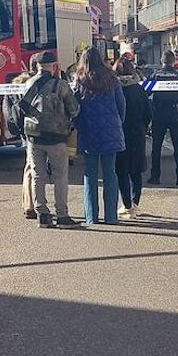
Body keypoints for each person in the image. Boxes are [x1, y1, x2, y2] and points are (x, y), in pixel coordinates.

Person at [20, 51, 80, 228]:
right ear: (54, 66)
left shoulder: (28, 83)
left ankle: (42, 214)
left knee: (38, 174)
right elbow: (74, 109)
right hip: (56, 136)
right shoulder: (60, 85)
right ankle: (62, 215)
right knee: (60, 175)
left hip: (33, 136)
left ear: (37, 66)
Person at [71, 48, 126, 226]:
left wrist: (79, 126)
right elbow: (121, 105)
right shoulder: (112, 78)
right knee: (110, 172)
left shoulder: (80, 80)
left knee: (90, 174)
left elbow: (75, 109)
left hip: (89, 131)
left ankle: (91, 217)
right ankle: (111, 216)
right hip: (111, 131)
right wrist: (117, 123)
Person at [3, 54, 42, 220]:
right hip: (38, 128)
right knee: (36, 169)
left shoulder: (15, 84)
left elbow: (7, 110)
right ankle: (34, 205)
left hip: (24, 130)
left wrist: (15, 130)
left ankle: (28, 204)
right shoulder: (37, 84)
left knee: (29, 167)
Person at [114, 58, 151, 218]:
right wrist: (143, 126)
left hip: (119, 133)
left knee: (121, 170)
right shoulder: (138, 89)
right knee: (136, 170)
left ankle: (126, 204)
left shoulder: (114, 89)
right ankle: (135, 204)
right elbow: (148, 113)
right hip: (137, 133)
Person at [147, 50, 178, 185]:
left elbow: (146, 93)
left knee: (156, 147)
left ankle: (155, 177)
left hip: (158, 113)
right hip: (175, 112)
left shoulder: (155, 75)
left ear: (162, 61)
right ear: (173, 62)